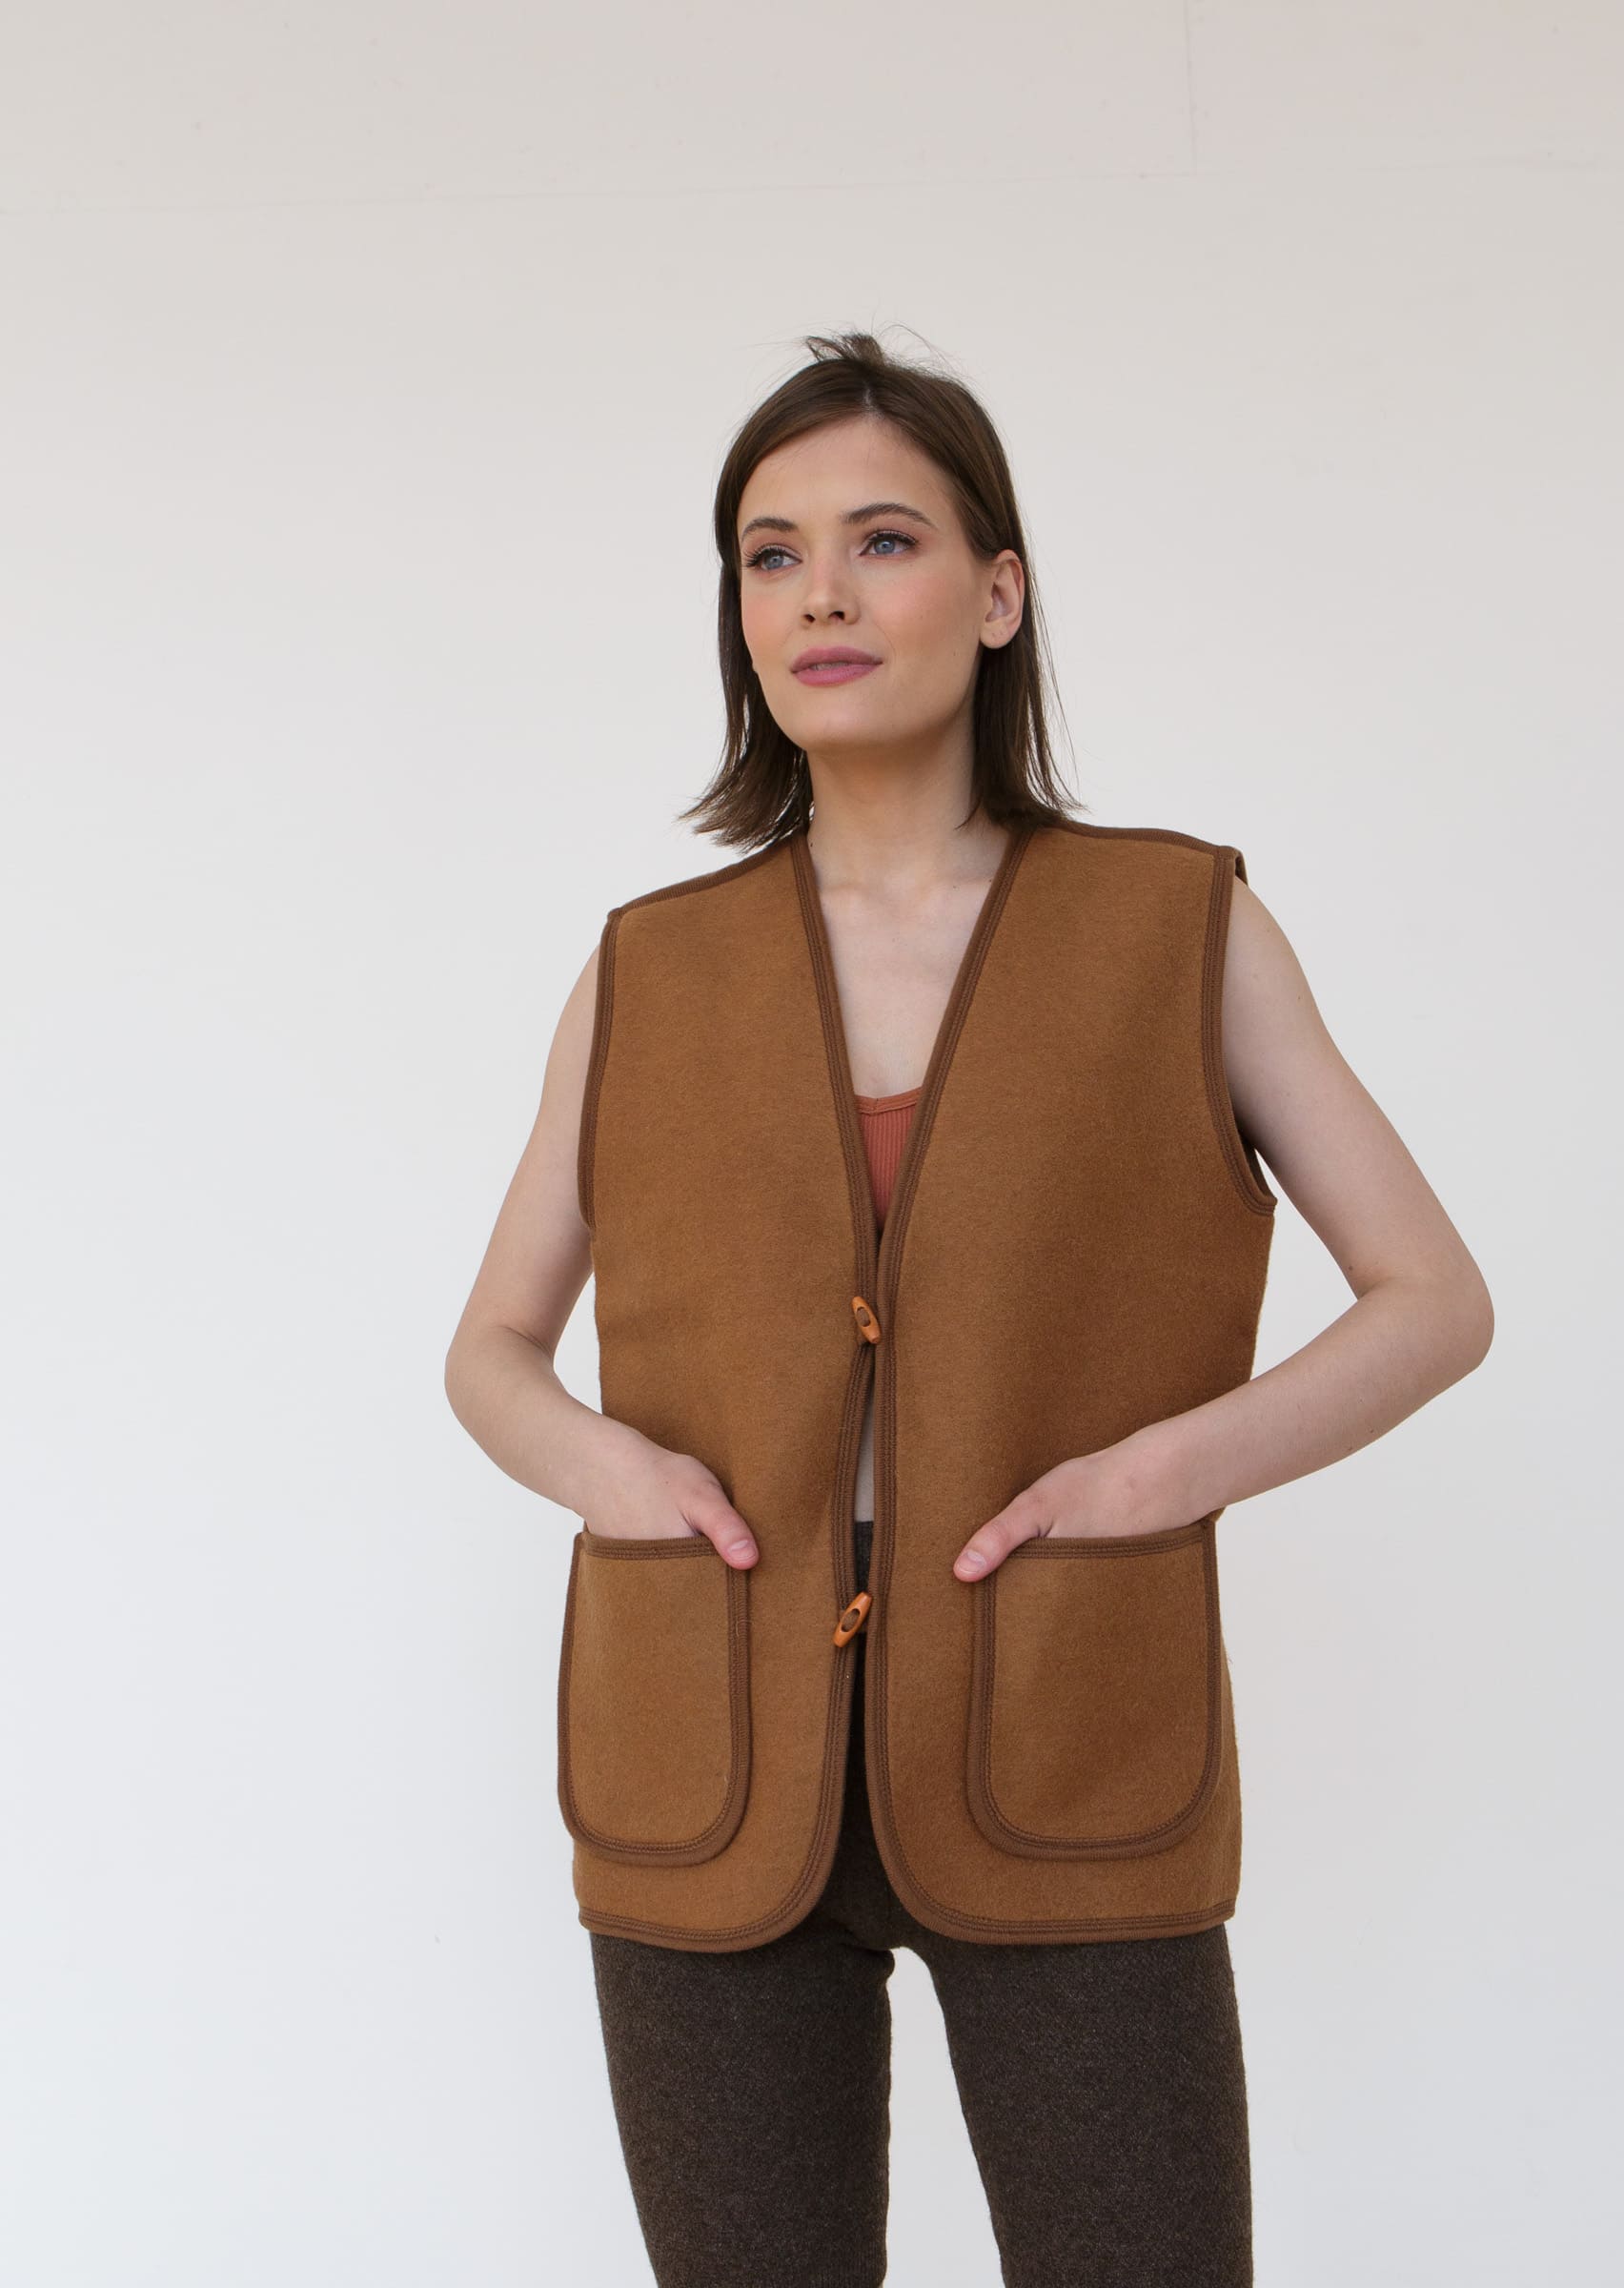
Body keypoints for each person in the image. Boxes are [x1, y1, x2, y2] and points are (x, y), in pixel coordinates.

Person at [444, 328, 1493, 2288]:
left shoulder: (1178, 926)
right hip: (702, 1748)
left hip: (1069, 1732)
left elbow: (1431, 1298)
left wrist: (1155, 1478)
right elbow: (491, 1349)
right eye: (770, 555)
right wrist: (612, 1475)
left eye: (884, 541)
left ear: (999, 592)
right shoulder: (648, 968)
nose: (820, 597)